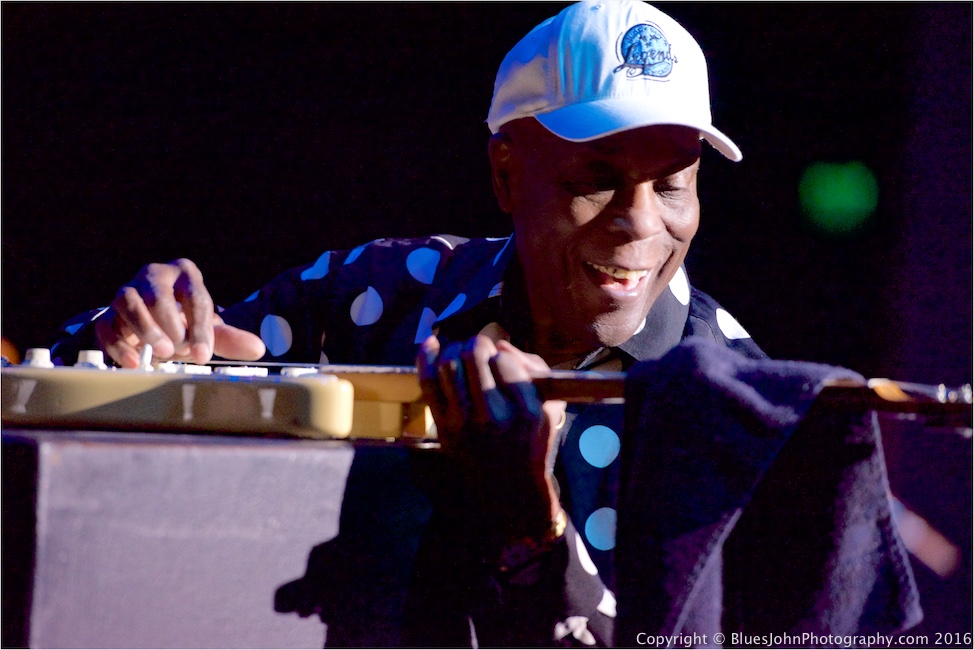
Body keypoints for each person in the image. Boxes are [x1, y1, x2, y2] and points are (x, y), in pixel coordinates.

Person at [51, 2, 921, 646]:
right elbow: (90, 393)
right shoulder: (382, 292)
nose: (640, 223)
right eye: (597, 177)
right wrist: (139, 349)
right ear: (508, 175)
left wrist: (531, 530)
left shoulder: (733, 406)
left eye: (672, 182)